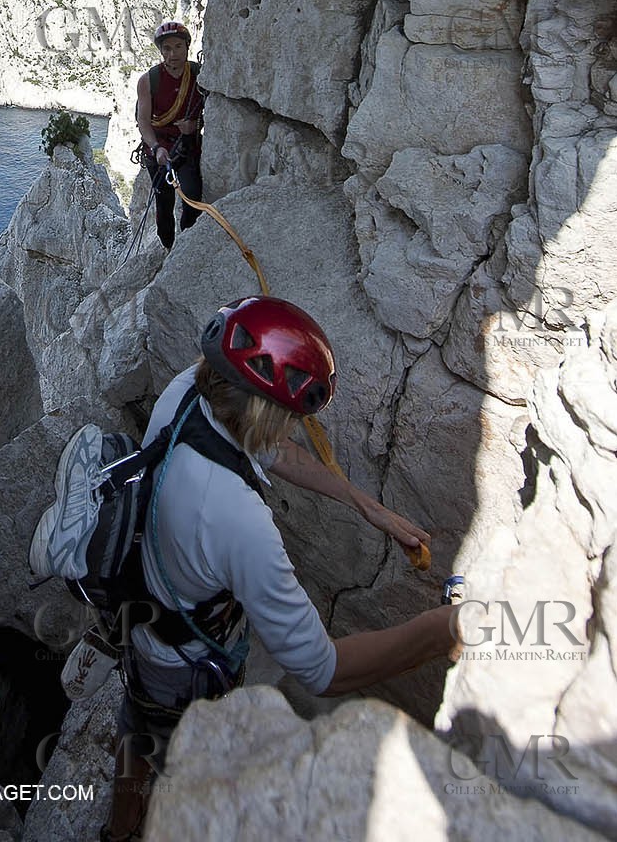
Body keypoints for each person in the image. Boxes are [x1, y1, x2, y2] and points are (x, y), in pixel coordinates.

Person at [101, 296, 460, 842]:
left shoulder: (190, 393)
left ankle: (117, 829)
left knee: (140, 727)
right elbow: (322, 669)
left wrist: (363, 502)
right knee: (183, 764)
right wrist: (445, 632)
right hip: (186, 662)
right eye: (292, 417)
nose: (293, 428)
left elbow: (269, 448)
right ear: (273, 414)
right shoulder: (238, 519)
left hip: (143, 608)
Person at [136, 20, 204, 250]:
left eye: (177, 47)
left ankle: (186, 243)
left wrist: (194, 126)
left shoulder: (199, 75)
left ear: (187, 47)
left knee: (193, 196)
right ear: (161, 51)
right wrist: (156, 148)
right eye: (166, 48)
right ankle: (168, 247)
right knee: (164, 205)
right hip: (159, 149)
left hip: (187, 145)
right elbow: (143, 121)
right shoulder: (149, 81)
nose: (172, 54)